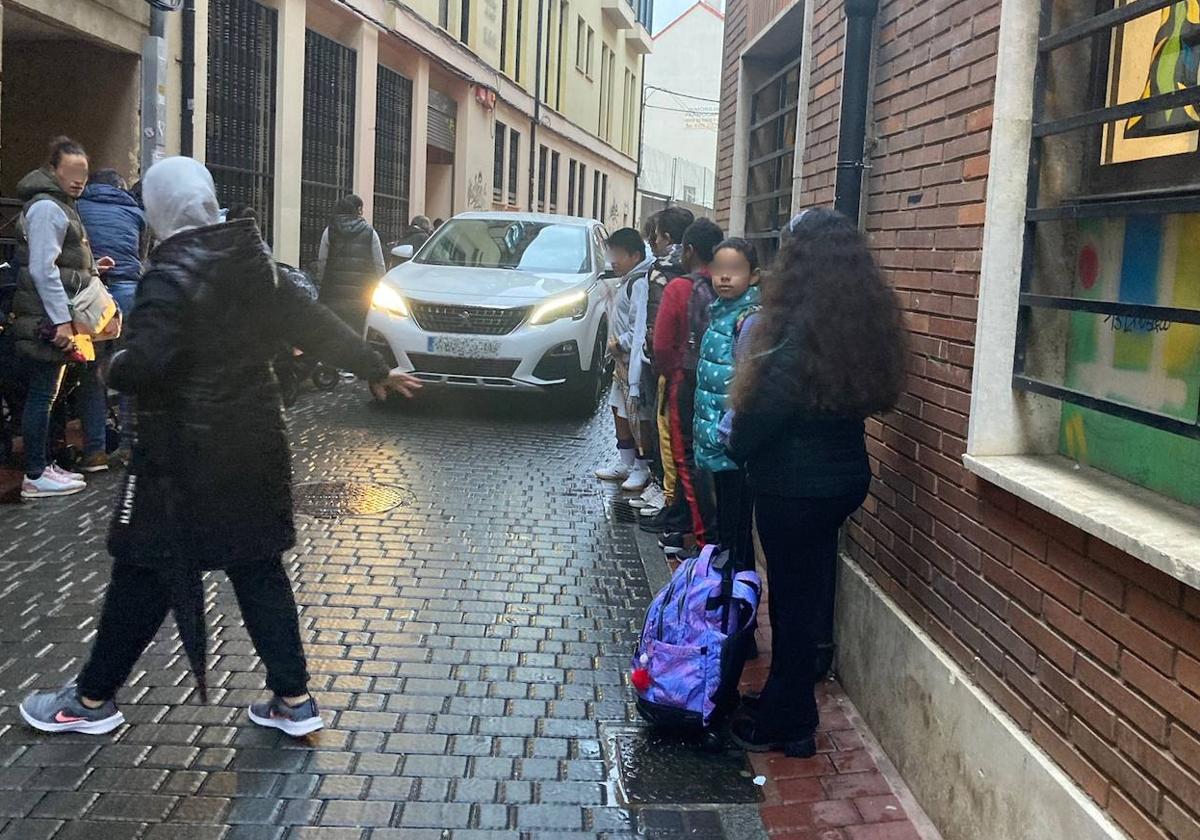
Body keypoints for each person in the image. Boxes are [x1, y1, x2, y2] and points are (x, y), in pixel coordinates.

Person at [19, 156, 422, 737]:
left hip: (180, 460)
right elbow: (314, 323)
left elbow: (147, 365)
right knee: (257, 568)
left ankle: (87, 702)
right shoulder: (253, 260)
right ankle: (293, 699)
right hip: (254, 446)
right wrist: (374, 367)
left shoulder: (170, 273)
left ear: (159, 210)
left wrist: (116, 364)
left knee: (142, 571)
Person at [726, 209, 906, 757]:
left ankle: (791, 720)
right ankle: (788, 702)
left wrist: (738, 445)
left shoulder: (794, 327)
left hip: (792, 486)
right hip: (842, 478)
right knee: (808, 594)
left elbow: (767, 409)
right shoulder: (860, 318)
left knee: (791, 601)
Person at [12, 137, 114, 498]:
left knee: (49, 393)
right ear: (52, 169)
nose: (78, 179)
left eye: (83, 172)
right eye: (71, 171)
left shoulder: (60, 206)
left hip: (50, 314)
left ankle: (45, 465)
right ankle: (36, 474)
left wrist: (90, 268)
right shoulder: (48, 209)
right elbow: (42, 269)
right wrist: (61, 322)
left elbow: (56, 262)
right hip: (47, 318)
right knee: (42, 393)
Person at [651, 218, 722, 557]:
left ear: (690, 250)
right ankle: (702, 533)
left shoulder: (679, 288)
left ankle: (705, 544)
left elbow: (662, 346)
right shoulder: (730, 286)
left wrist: (673, 375)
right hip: (724, 387)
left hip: (688, 384)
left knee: (688, 461)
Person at [693, 238, 760, 573]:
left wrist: (729, 434)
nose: (725, 278)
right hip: (715, 439)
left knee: (737, 529)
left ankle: (738, 602)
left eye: (735, 270)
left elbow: (751, 384)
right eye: (720, 269)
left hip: (733, 444)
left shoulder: (749, 321)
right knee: (724, 523)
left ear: (755, 275)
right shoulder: (717, 313)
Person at [78, 168, 148, 461]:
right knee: (130, 369)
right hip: (129, 295)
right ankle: (131, 446)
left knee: (91, 376)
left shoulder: (77, 207)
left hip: (92, 298)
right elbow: (141, 257)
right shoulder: (136, 213)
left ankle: (95, 451)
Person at [595, 228, 656, 491]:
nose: (613, 260)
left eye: (618, 254)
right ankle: (626, 462)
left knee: (637, 416)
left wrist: (620, 343)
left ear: (635, 255)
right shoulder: (626, 280)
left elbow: (639, 327)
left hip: (634, 364)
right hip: (621, 363)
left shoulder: (639, 283)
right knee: (619, 411)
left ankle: (641, 467)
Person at [317, 194, 385, 333]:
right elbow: (379, 265)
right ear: (358, 210)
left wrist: (322, 282)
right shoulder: (370, 232)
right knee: (358, 334)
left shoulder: (329, 231)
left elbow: (322, 262)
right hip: (362, 297)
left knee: (335, 333)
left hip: (334, 295)